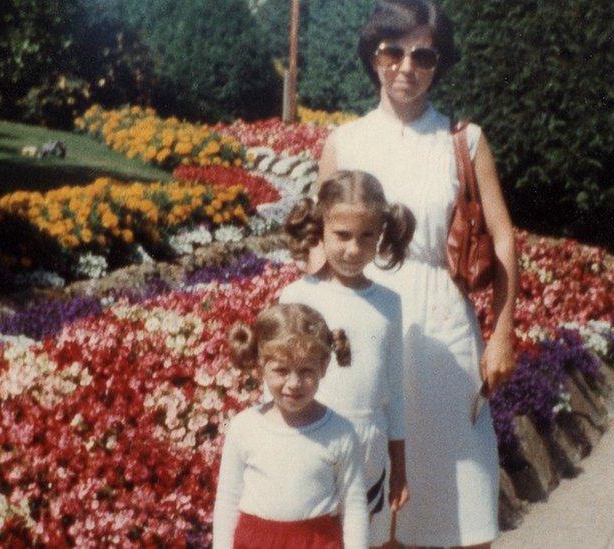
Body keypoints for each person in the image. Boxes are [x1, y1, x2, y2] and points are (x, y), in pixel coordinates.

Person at [312, 1, 519, 546]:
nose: (407, 66)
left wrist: (500, 333)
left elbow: (502, 237)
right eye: (393, 51)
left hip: (441, 323)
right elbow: (321, 245)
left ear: (439, 63)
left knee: (462, 494)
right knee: (373, 505)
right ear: (373, 56)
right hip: (362, 321)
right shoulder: (345, 142)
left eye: (424, 56)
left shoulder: (464, 140)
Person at [282, 169, 416, 547]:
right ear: (320, 227)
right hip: (309, 453)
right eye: (342, 235)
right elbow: (276, 385)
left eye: (367, 236)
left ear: (382, 234)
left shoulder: (388, 304)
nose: (354, 250)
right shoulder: (298, 297)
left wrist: (399, 468)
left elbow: (394, 393)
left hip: (368, 459)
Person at [213, 303, 369, 549]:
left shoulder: (340, 433)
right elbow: (228, 501)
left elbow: (354, 504)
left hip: (318, 541)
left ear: (324, 365)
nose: (294, 383)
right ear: (261, 364)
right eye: (281, 370)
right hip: (256, 541)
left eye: (306, 370)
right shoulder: (244, 428)